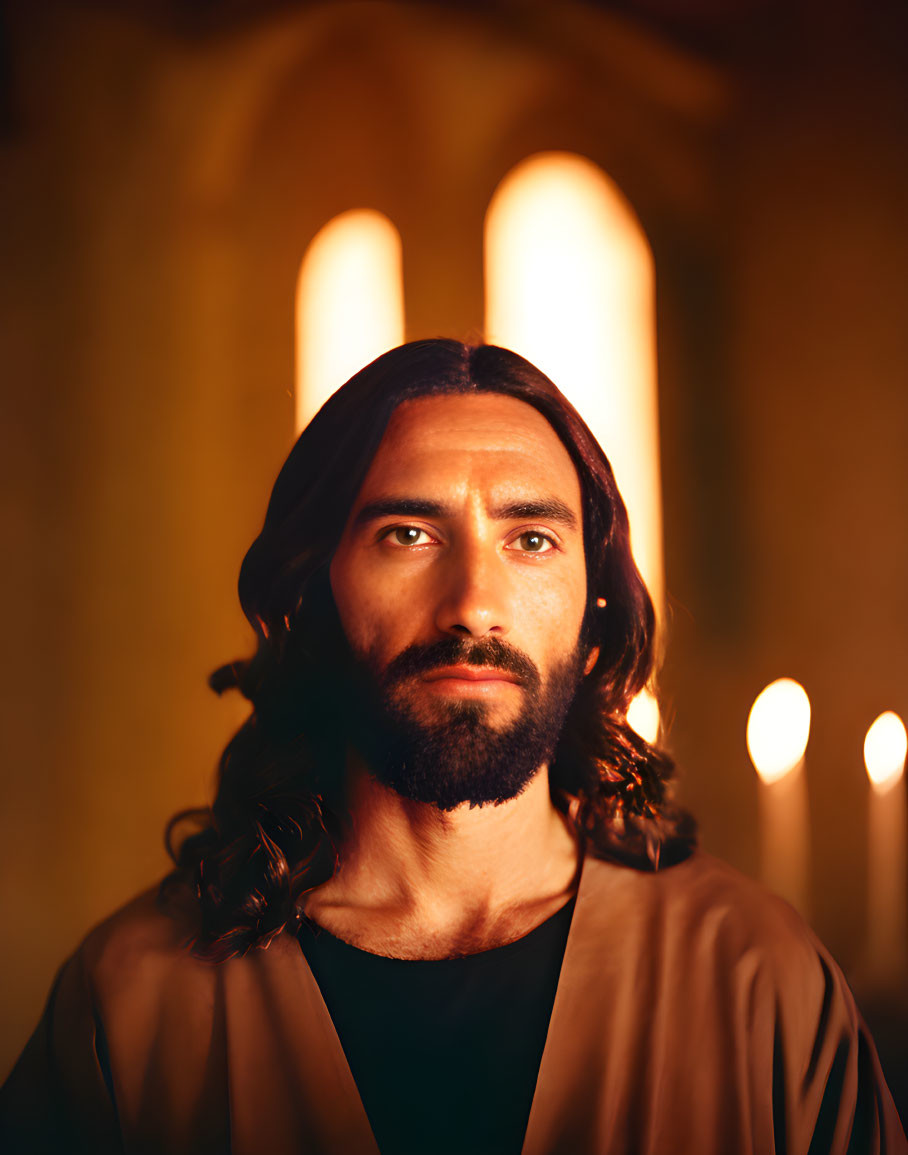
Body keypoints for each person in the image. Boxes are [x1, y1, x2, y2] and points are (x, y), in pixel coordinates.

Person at [1, 339, 904, 1155]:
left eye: (532, 539)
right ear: (314, 598)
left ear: (595, 613)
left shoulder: (755, 982)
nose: (474, 600)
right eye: (409, 534)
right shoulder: (133, 1004)